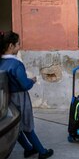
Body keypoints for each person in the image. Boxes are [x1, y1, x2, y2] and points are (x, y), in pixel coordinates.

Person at [0, 31, 54, 159]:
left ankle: (29, 149)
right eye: (18, 44)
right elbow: (25, 85)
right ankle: (42, 152)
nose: (20, 47)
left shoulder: (1, 61)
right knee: (28, 126)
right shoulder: (16, 64)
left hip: (7, 98)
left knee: (15, 125)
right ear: (11, 46)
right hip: (20, 98)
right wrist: (32, 80)